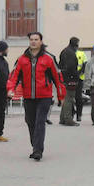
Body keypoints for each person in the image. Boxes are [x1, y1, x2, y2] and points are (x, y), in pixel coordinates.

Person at [7, 31, 65, 161]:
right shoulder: (22, 59)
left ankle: (38, 150)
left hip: (44, 96)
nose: (33, 41)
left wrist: (61, 96)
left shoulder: (49, 58)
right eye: (31, 39)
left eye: (36, 39)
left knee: (40, 122)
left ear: (41, 41)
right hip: (28, 96)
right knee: (30, 121)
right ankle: (36, 144)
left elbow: (58, 77)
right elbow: (14, 76)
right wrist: (11, 89)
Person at [55, 37, 82, 127]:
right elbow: (71, 67)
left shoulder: (64, 51)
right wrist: (76, 75)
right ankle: (68, 119)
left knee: (66, 97)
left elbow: (61, 64)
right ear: (76, 44)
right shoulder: (71, 53)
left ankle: (63, 118)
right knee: (69, 99)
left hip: (63, 77)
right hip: (70, 78)